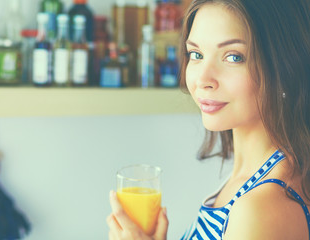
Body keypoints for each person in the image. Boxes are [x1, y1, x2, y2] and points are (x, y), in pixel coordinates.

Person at [107, 0, 310, 239]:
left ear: (284, 67)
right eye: (196, 54)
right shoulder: (251, 178)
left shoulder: (261, 208)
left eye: (233, 57)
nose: (203, 78)